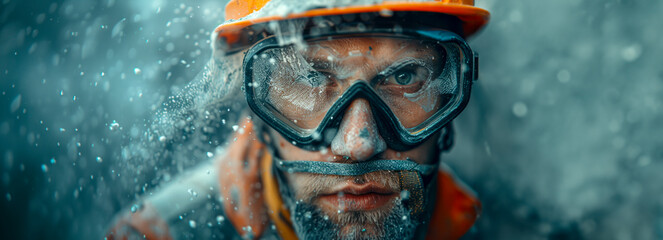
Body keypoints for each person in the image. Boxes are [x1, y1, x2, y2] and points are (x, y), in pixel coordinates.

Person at [106, 0, 490, 239]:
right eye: (310, 77)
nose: (357, 144)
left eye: (404, 76)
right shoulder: (157, 235)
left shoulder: (503, 229)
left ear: (450, 103)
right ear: (258, 116)